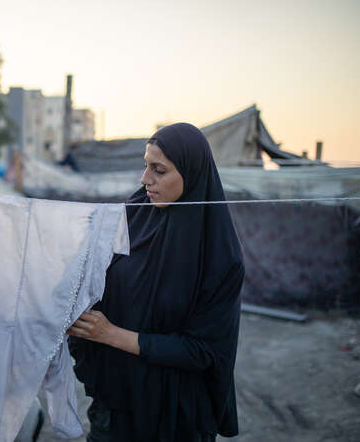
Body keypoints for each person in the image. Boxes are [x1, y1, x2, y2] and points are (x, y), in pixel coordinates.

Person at [67, 123, 244, 441]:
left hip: (176, 416)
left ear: (190, 175)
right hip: (115, 407)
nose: (144, 179)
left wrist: (111, 335)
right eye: (145, 165)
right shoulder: (128, 221)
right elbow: (91, 285)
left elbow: (204, 351)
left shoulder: (220, 258)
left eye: (158, 170)